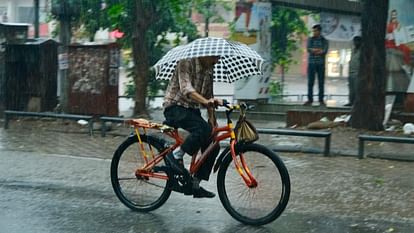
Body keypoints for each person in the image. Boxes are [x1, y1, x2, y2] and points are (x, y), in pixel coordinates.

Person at [163, 56, 223, 198]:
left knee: (213, 144)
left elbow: (209, 97)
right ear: (206, 54)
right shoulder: (186, 62)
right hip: (174, 107)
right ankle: (175, 155)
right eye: (215, 57)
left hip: (191, 110)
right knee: (201, 129)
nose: (217, 61)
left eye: (218, 58)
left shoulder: (209, 70)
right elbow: (186, 89)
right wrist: (206, 101)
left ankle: (195, 184)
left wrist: (213, 120)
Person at [304, 24, 329, 106]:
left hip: (321, 64)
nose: (314, 32)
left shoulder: (324, 40)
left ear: (319, 31)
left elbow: (324, 51)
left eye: (315, 31)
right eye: (313, 31)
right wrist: (318, 50)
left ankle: (321, 100)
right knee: (310, 82)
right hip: (311, 64)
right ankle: (310, 100)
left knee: (321, 82)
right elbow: (308, 49)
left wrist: (315, 50)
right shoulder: (310, 39)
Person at [345, 36, 362, 107]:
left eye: (357, 41)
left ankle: (357, 102)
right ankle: (351, 101)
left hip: (357, 72)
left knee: (356, 89)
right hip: (351, 72)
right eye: (354, 41)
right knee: (351, 89)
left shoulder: (362, 51)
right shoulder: (353, 50)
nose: (355, 43)